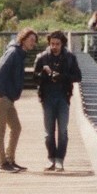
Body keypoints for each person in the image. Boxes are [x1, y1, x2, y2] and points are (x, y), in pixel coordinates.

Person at [0, 28, 36, 173]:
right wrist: (1, 93)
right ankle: (2, 164)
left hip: (8, 97)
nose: (33, 43)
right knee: (0, 130)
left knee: (16, 127)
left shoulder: (20, 54)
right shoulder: (13, 53)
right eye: (31, 40)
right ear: (23, 39)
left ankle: (10, 159)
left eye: (35, 40)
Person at [34, 30, 81, 172]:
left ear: (62, 44)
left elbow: (78, 76)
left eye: (57, 44)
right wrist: (44, 73)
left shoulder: (69, 57)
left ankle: (60, 159)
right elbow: (34, 78)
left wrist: (62, 76)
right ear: (49, 43)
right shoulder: (42, 57)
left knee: (63, 131)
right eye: (52, 44)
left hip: (63, 97)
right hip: (47, 97)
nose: (54, 46)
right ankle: (51, 158)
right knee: (48, 132)